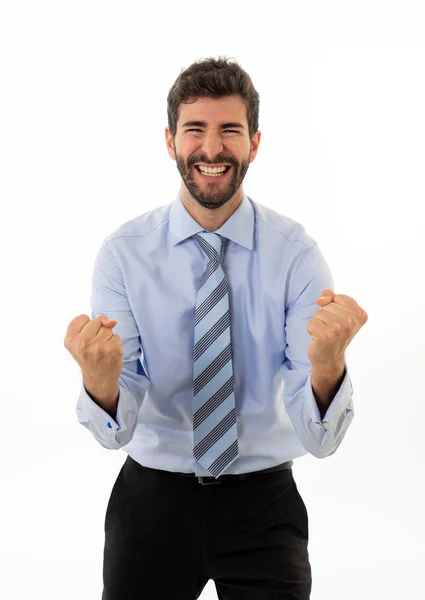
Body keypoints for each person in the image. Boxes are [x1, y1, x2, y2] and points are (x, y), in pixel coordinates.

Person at [64, 56, 368, 600]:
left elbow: (320, 439)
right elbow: (115, 430)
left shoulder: (297, 255)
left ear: (254, 142)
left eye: (230, 130)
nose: (211, 150)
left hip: (264, 505)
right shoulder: (123, 255)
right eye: (194, 130)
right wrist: (101, 383)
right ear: (169, 141)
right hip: (150, 502)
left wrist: (328, 367)